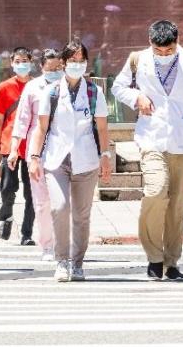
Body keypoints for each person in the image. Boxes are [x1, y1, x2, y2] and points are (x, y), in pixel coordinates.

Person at [111, 20, 183, 281]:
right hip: (151, 138)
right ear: (150, 43)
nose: (164, 55)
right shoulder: (137, 59)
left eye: (169, 51)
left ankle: (171, 262)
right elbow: (118, 87)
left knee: (178, 204)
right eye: (159, 51)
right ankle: (153, 256)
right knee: (156, 191)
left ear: (177, 42)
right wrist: (137, 98)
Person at [28, 41, 112, 282]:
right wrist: (34, 158)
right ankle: (61, 260)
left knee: (82, 215)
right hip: (56, 160)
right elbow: (41, 128)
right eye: (73, 61)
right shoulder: (51, 92)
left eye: (81, 61)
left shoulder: (94, 92)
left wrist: (105, 157)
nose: (77, 65)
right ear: (64, 63)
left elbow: (103, 128)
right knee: (59, 207)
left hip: (86, 160)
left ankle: (77, 262)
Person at [9, 48, 63, 260]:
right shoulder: (33, 88)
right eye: (50, 68)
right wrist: (14, 149)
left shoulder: (69, 86)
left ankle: (63, 244)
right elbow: (22, 121)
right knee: (42, 203)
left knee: (63, 201)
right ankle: (48, 246)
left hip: (63, 149)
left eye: (58, 68)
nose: (54, 72)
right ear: (41, 67)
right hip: (37, 151)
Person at [0, 47, 36, 245]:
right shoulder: (4, 87)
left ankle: (27, 233)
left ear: (31, 61)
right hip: (10, 145)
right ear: (12, 63)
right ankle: (6, 216)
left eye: (25, 60)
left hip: (32, 146)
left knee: (31, 192)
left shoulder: (38, 86)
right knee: (8, 188)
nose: (21, 64)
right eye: (18, 61)